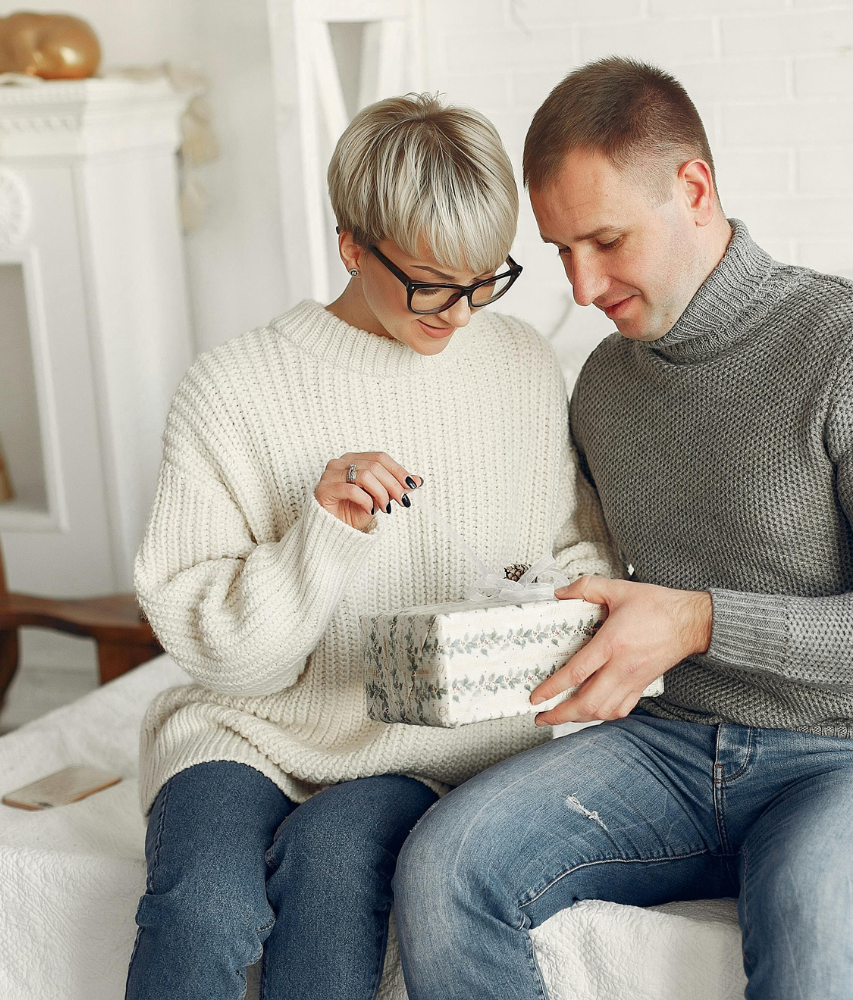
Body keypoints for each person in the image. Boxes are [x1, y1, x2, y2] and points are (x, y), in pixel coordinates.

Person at [393, 57, 853, 1000]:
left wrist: (702, 620)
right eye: (560, 251)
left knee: (815, 918)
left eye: (605, 240)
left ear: (695, 189)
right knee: (442, 868)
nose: (583, 287)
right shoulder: (604, 386)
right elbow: (591, 573)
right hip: (664, 750)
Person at [124, 93, 617, 1000]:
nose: (460, 314)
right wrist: (323, 534)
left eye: (485, 280)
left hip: (415, 750)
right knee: (204, 908)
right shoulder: (231, 388)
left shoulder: (521, 364)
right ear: (351, 243)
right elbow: (222, 658)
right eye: (433, 283)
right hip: (246, 729)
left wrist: (551, 609)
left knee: (329, 876)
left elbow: (574, 548)